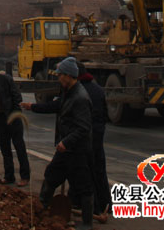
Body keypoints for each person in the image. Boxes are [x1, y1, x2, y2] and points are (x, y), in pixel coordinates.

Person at [21, 56, 93, 230]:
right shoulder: (68, 93)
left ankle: (87, 223)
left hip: (77, 151)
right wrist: (33, 107)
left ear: (69, 75)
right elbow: (56, 106)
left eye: (60, 75)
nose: (59, 78)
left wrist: (66, 142)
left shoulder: (80, 97)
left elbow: (83, 128)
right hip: (65, 150)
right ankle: (42, 207)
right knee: (52, 175)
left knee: (83, 186)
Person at [0, 54, 30, 186]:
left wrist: (14, 113)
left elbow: (17, 97)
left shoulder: (6, 80)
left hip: (13, 118)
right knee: (5, 150)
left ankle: (25, 177)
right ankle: (9, 177)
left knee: (19, 147)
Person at [72, 62, 110, 222]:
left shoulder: (78, 91)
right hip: (98, 134)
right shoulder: (98, 90)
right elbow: (106, 114)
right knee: (100, 170)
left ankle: (91, 207)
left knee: (86, 172)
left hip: (85, 136)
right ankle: (107, 203)